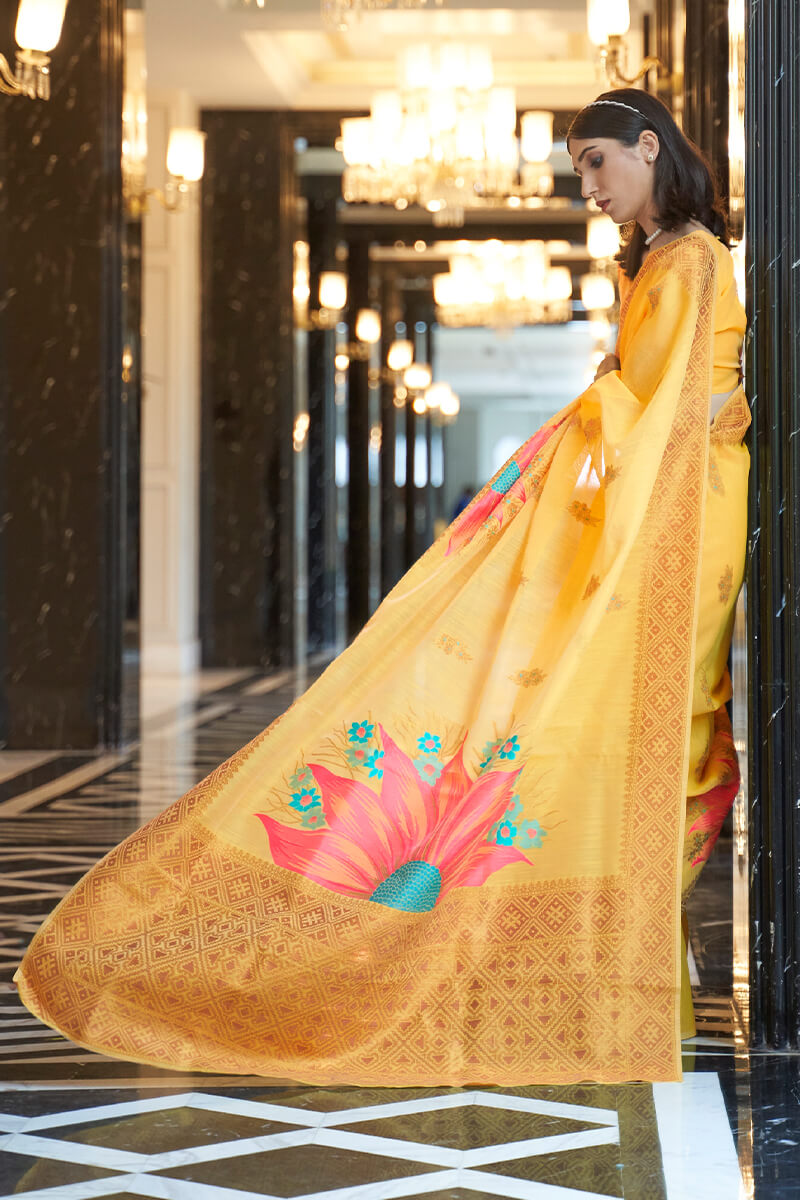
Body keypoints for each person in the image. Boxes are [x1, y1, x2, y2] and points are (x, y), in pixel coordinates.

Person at [15, 88, 749, 1087]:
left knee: (661, 727)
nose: (585, 187)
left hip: (682, 518)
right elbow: (641, 406)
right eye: (577, 169)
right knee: (599, 718)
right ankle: (589, 957)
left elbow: (663, 411)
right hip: (650, 503)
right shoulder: (655, 261)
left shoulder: (692, 258)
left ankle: (605, 955)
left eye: (593, 164)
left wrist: (604, 425)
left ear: (647, 147)